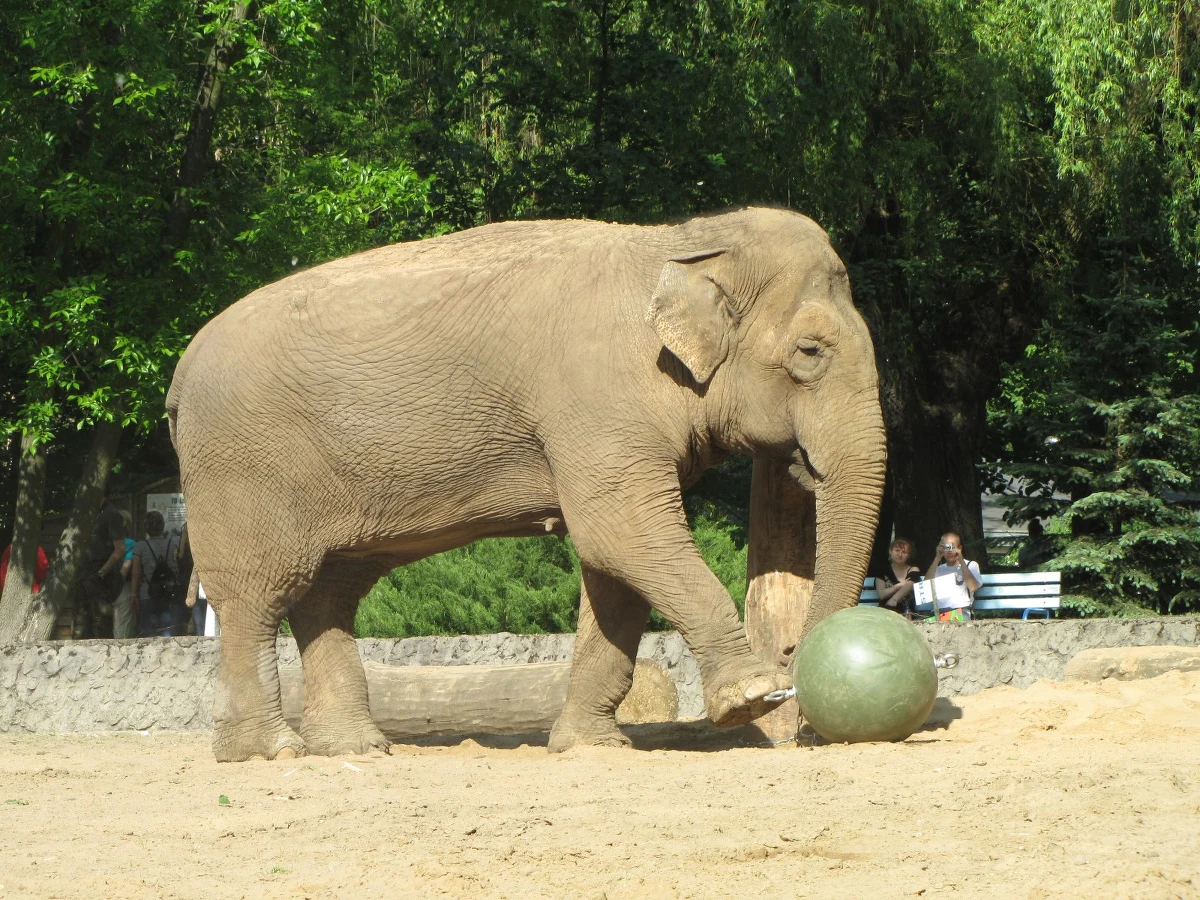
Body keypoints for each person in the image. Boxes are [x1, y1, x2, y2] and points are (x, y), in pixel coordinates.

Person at [77, 500, 128, 638]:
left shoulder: (111, 514)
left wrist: (100, 573)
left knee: (102, 626)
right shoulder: (89, 513)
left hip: (101, 579)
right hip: (85, 577)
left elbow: (120, 549)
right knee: (81, 626)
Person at [130, 511, 179, 637]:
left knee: (148, 634)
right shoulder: (174, 543)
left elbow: (136, 573)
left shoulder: (140, 546)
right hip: (170, 592)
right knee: (168, 633)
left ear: (146, 528)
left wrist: (133, 594)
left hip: (148, 593)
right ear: (163, 525)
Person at [926, 532, 982, 621]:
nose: (949, 551)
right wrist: (937, 558)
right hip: (939, 612)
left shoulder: (970, 565)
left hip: (961, 610)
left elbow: (973, 587)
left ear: (959, 548)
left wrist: (961, 559)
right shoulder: (937, 569)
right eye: (946, 547)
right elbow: (926, 585)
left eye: (952, 547)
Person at [872, 538, 922, 618]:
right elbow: (882, 594)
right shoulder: (882, 571)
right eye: (897, 550)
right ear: (890, 551)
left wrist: (894, 599)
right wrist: (900, 585)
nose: (900, 554)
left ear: (908, 555)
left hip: (907, 613)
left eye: (904, 552)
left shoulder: (913, 569)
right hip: (885, 612)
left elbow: (909, 585)